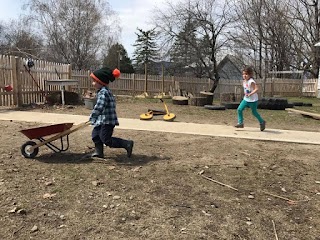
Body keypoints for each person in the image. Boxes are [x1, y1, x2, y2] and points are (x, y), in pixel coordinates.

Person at [88, 67, 134, 158]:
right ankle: (99, 152)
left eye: (94, 81)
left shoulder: (104, 93)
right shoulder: (102, 91)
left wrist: (92, 117)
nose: (93, 83)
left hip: (107, 121)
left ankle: (127, 144)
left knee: (105, 139)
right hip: (101, 120)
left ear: (100, 82)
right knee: (95, 135)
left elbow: (99, 107)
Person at [235, 66, 266, 131]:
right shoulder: (244, 81)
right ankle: (240, 123)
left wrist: (250, 94)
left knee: (254, 112)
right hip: (246, 99)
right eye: (243, 74)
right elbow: (246, 89)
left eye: (246, 74)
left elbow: (256, 89)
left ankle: (262, 122)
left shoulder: (251, 81)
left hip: (253, 100)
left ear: (250, 74)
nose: (244, 76)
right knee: (239, 109)